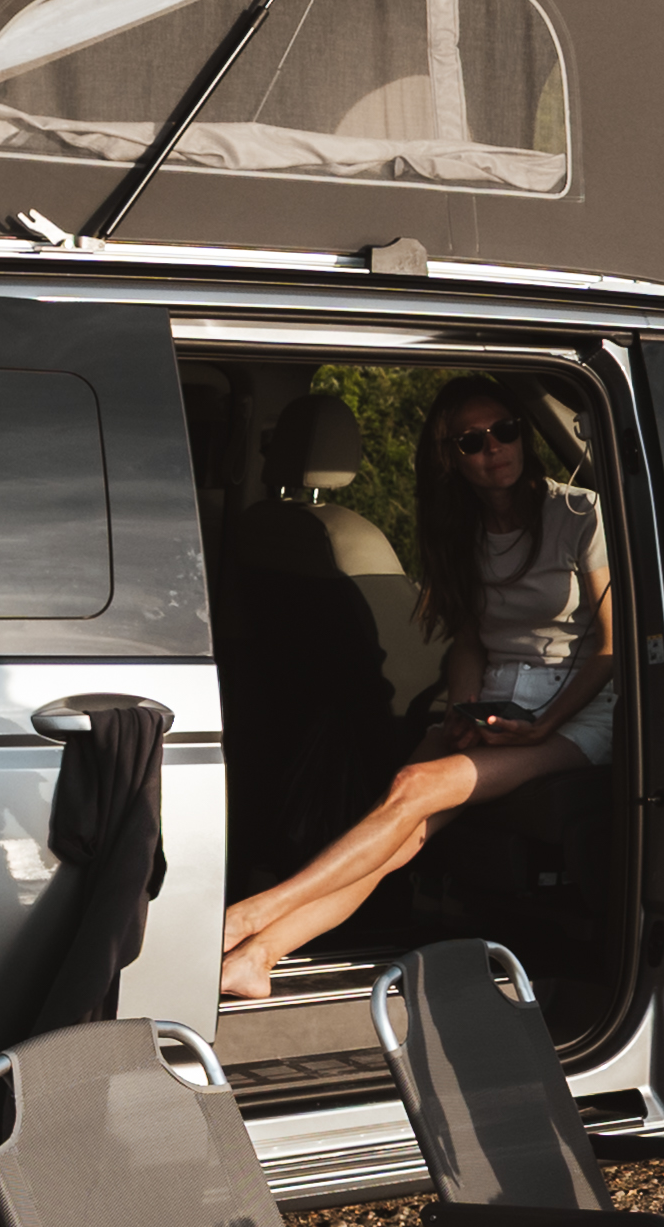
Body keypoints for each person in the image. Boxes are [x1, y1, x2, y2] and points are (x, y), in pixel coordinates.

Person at [214, 377, 620, 996]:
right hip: (494, 703)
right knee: (400, 834)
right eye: (472, 441)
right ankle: (257, 957)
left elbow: (613, 650)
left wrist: (544, 722)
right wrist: (462, 709)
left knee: (411, 785)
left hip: (574, 710)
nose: (496, 449)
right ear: (449, 457)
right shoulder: (459, 530)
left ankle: (249, 917)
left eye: (506, 431)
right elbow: (468, 643)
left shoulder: (578, 514)